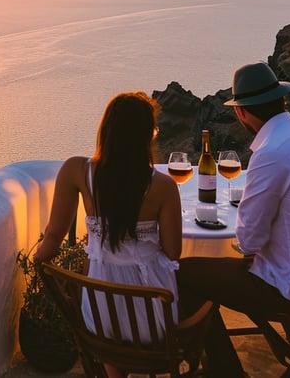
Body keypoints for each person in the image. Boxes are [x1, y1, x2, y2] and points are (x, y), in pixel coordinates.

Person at [177, 62, 290, 378]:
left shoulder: (272, 152)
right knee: (213, 273)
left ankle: (224, 371)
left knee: (184, 273)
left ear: (241, 113)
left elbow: (248, 242)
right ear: (282, 100)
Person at [33, 91, 183, 378]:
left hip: (99, 323)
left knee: (107, 308)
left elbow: (53, 236)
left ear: (106, 130)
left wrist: (39, 262)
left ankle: (115, 372)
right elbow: (173, 252)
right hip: (153, 324)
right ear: (147, 135)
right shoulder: (163, 186)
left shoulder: (76, 170)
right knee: (193, 289)